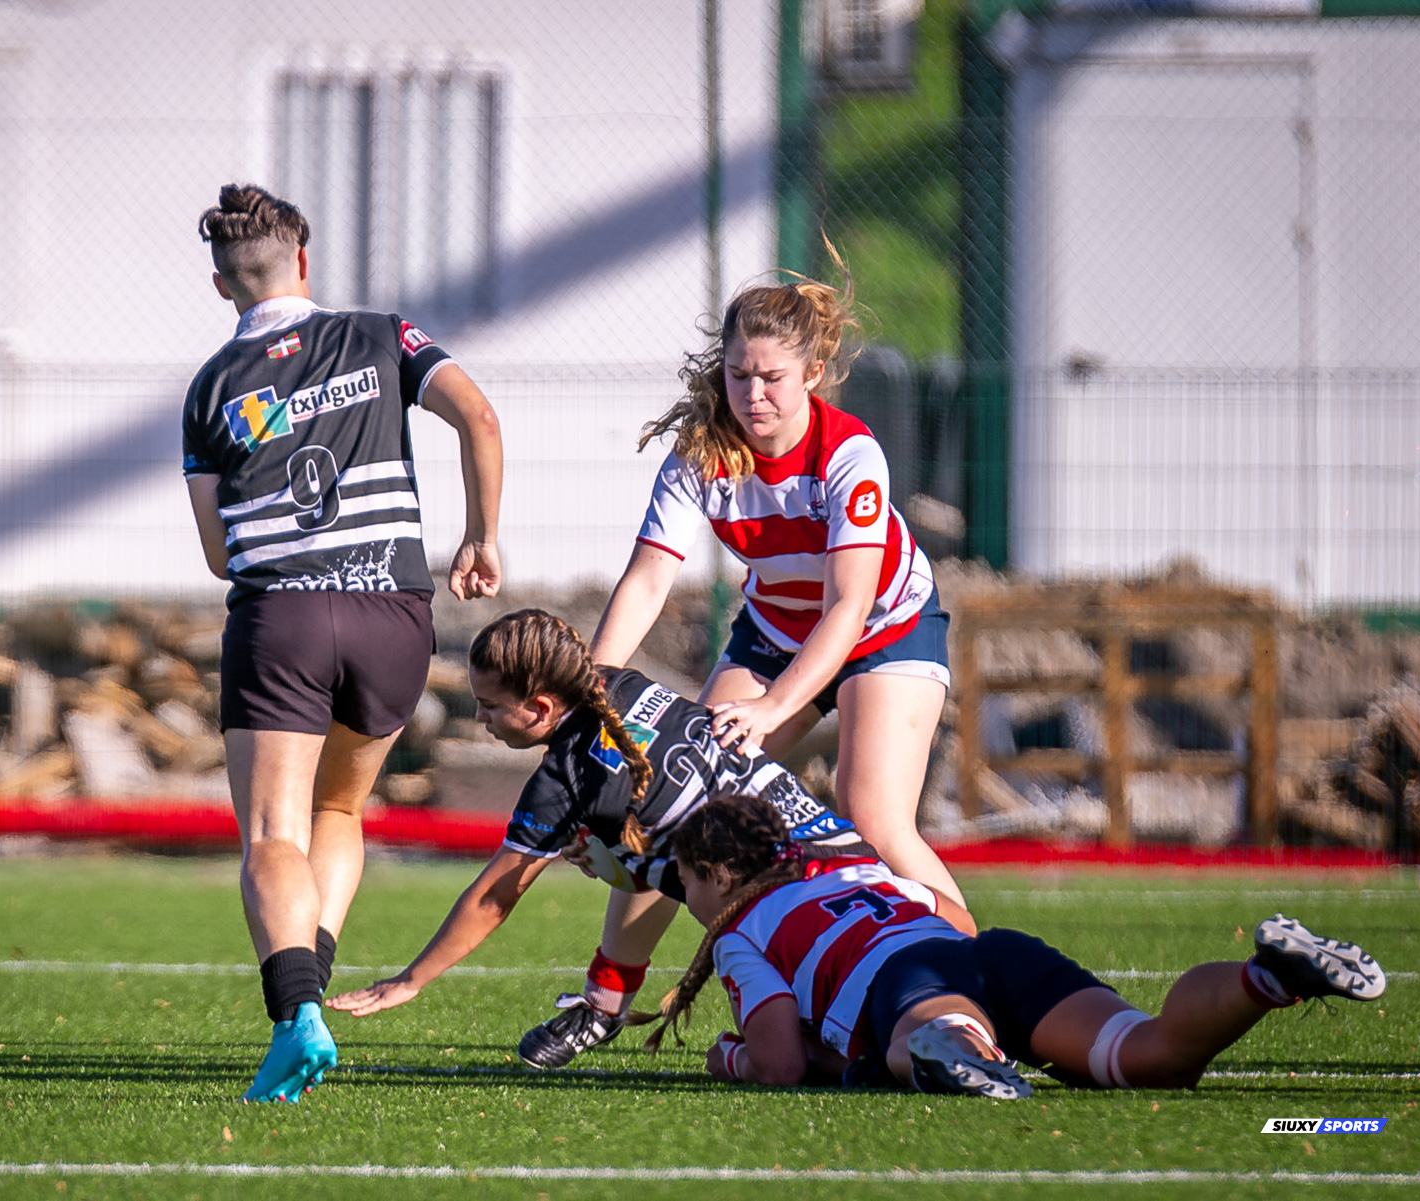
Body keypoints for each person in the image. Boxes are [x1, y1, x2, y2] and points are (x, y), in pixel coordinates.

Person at [581, 256, 961, 1029]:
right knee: (678, 798)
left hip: (884, 630)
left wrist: (776, 706)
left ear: (814, 372)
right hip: (775, 633)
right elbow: (650, 579)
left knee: (872, 815)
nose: (754, 395)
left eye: (772, 378)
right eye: (738, 375)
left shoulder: (850, 455)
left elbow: (851, 606)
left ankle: (970, 973)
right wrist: (593, 691)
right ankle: (604, 999)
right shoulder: (701, 451)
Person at [184, 184, 503, 1103]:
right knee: (339, 812)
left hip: (282, 615)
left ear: (221, 285)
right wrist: (480, 535)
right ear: (305, 263)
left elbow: (217, 552)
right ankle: (309, 997)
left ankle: (295, 1017)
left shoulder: (210, 388)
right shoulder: (382, 334)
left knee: (272, 830)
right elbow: (479, 416)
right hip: (393, 611)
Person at [326, 608, 857, 1070]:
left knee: (791, 1056)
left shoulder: (563, 781)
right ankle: (605, 1006)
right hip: (855, 865)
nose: (481, 718)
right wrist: (606, 843)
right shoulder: (622, 684)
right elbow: (642, 806)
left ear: (540, 709)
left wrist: (411, 980)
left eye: (489, 705)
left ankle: (610, 1009)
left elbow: (493, 897)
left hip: (797, 917)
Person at [652, 794, 1387, 1098]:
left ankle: (949, 1042)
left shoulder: (741, 932)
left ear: (720, 876)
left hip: (908, 975)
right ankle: (1268, 976)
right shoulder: (849, 868)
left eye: (687, 884)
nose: (689, 903)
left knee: (935, 1033)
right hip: (978, 950)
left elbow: (778, 1061)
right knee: (1150, 1053)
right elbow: (954, 918)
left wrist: (731, 1056)